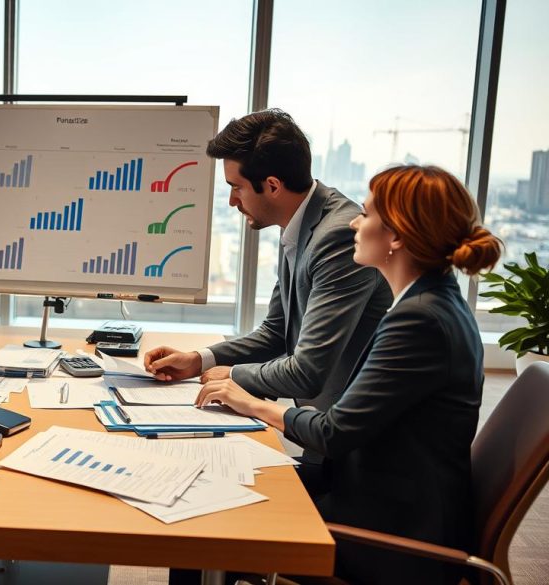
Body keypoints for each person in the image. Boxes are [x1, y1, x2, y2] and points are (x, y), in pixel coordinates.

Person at [197, 165, 502, 584]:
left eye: (369, 214)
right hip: (381, 494)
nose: (356, 221)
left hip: (389, 534)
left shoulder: (420, 320)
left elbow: (333, 432)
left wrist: (250, 403)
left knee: (202, 528)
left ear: (396, 236)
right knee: (218, 483)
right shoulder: (430, 302)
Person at [144, 109, 392, 470]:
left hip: (353, 461)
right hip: (322, 437)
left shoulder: (335, 237)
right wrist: (199, 360)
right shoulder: (300, 223)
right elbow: (277, 333)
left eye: (236, 187)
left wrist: (231, 376)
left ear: (273, 186)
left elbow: (308, 371)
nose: (232, 201)